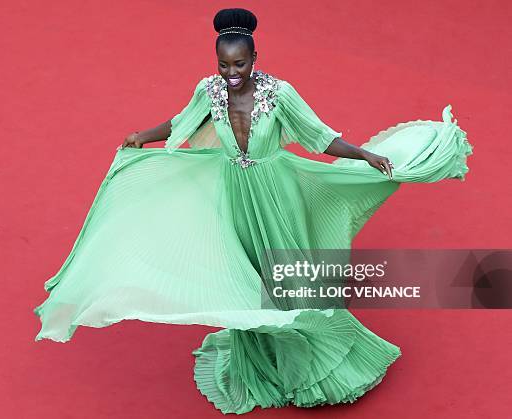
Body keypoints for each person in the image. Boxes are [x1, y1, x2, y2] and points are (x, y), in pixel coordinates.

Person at [33, 8, 473, 414]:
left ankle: (322, 361)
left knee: (289, 279)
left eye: (239, 65)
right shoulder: (208, 91)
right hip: (236, 196)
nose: (230, 75)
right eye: (223, 65)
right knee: (245, 278)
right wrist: (141, 135)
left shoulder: (281, 94)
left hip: (276, 196)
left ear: (255, 58)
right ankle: (259, 360)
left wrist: (364, 156)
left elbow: (321, 137)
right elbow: (180, 122)